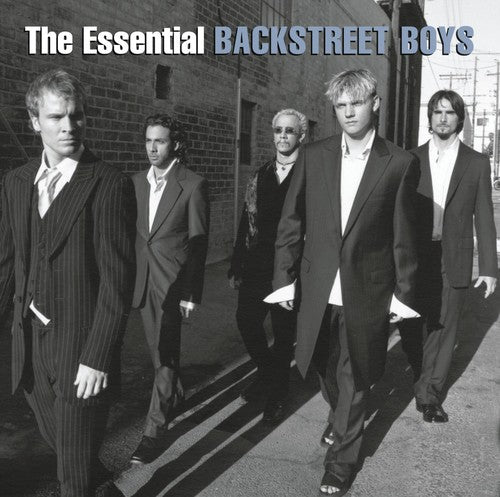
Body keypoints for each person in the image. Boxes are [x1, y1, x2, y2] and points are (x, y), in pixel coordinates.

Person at [265, 69, 419, 495]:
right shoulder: (314, 155)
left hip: (368, 289)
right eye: (341, 105)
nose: (349, 112)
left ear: (375, 104)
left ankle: (341, 462)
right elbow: (291, 221)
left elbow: (404, 236)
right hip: (317, 286)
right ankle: (339, 418)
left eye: (357, 103)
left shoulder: (400, 163)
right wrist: (284, 278)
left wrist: (402, 293)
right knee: (321, 365)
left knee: (354, 374)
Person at [0, 69, 135, 497]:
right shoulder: (16, 181)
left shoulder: (108, 182)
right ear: (34, 121)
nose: (69, 126)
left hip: (80, 346)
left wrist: (97, 356)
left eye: (76, 116)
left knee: (72, 475)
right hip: (29, 342)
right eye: (56, 117)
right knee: (68, 449)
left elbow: (117, 282)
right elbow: (7, 264)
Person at [399, 90, 497, 423]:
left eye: (450, 112)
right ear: (429, 117)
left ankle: (430, 395)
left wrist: (489, 268)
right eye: (437, 112)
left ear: (459, 118)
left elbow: (484, 216)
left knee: (445, 327)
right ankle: (421, 375)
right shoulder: (410, 159)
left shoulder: (476, 162)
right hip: (417, 254)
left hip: (454, 255)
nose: (443, 118)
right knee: (413, 324)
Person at [130, 114, 209, 464]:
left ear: (175, 144)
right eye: (148, 140)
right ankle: (174, 392)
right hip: (141, 280)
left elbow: (198, 244)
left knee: (164, 351)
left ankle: (154, 430)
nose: (152, 148)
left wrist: (191, 293)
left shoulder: (192, 184)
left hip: (173, 284)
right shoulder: (135, 182)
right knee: (156, 348)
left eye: (159, 141)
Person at [228, 109, 306, 425]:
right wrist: (237, 264)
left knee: (284, 335)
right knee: (246, 321)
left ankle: (277, 394)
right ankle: (268, 372)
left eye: (290, 131)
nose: (283, 136)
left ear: (302, 136)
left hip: (292, 268)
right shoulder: (260, 175)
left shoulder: (310, 175)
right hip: (258, 264)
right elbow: (246, 221)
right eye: (278, 130)